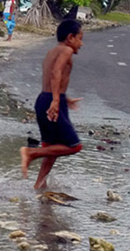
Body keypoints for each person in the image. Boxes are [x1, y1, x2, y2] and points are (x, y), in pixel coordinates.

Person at [20, 20, 84, 190]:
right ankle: (31, 153)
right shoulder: (67, 50)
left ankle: (39, 184)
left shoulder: (52, 51)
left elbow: (53, 77)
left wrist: (64, 98)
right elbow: (56, 72)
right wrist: (56, 100)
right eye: (80, 38)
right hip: (51, 101)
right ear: (70, 37)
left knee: (51, 147)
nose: (81, 43)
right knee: (74, 146)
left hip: (43, 99)